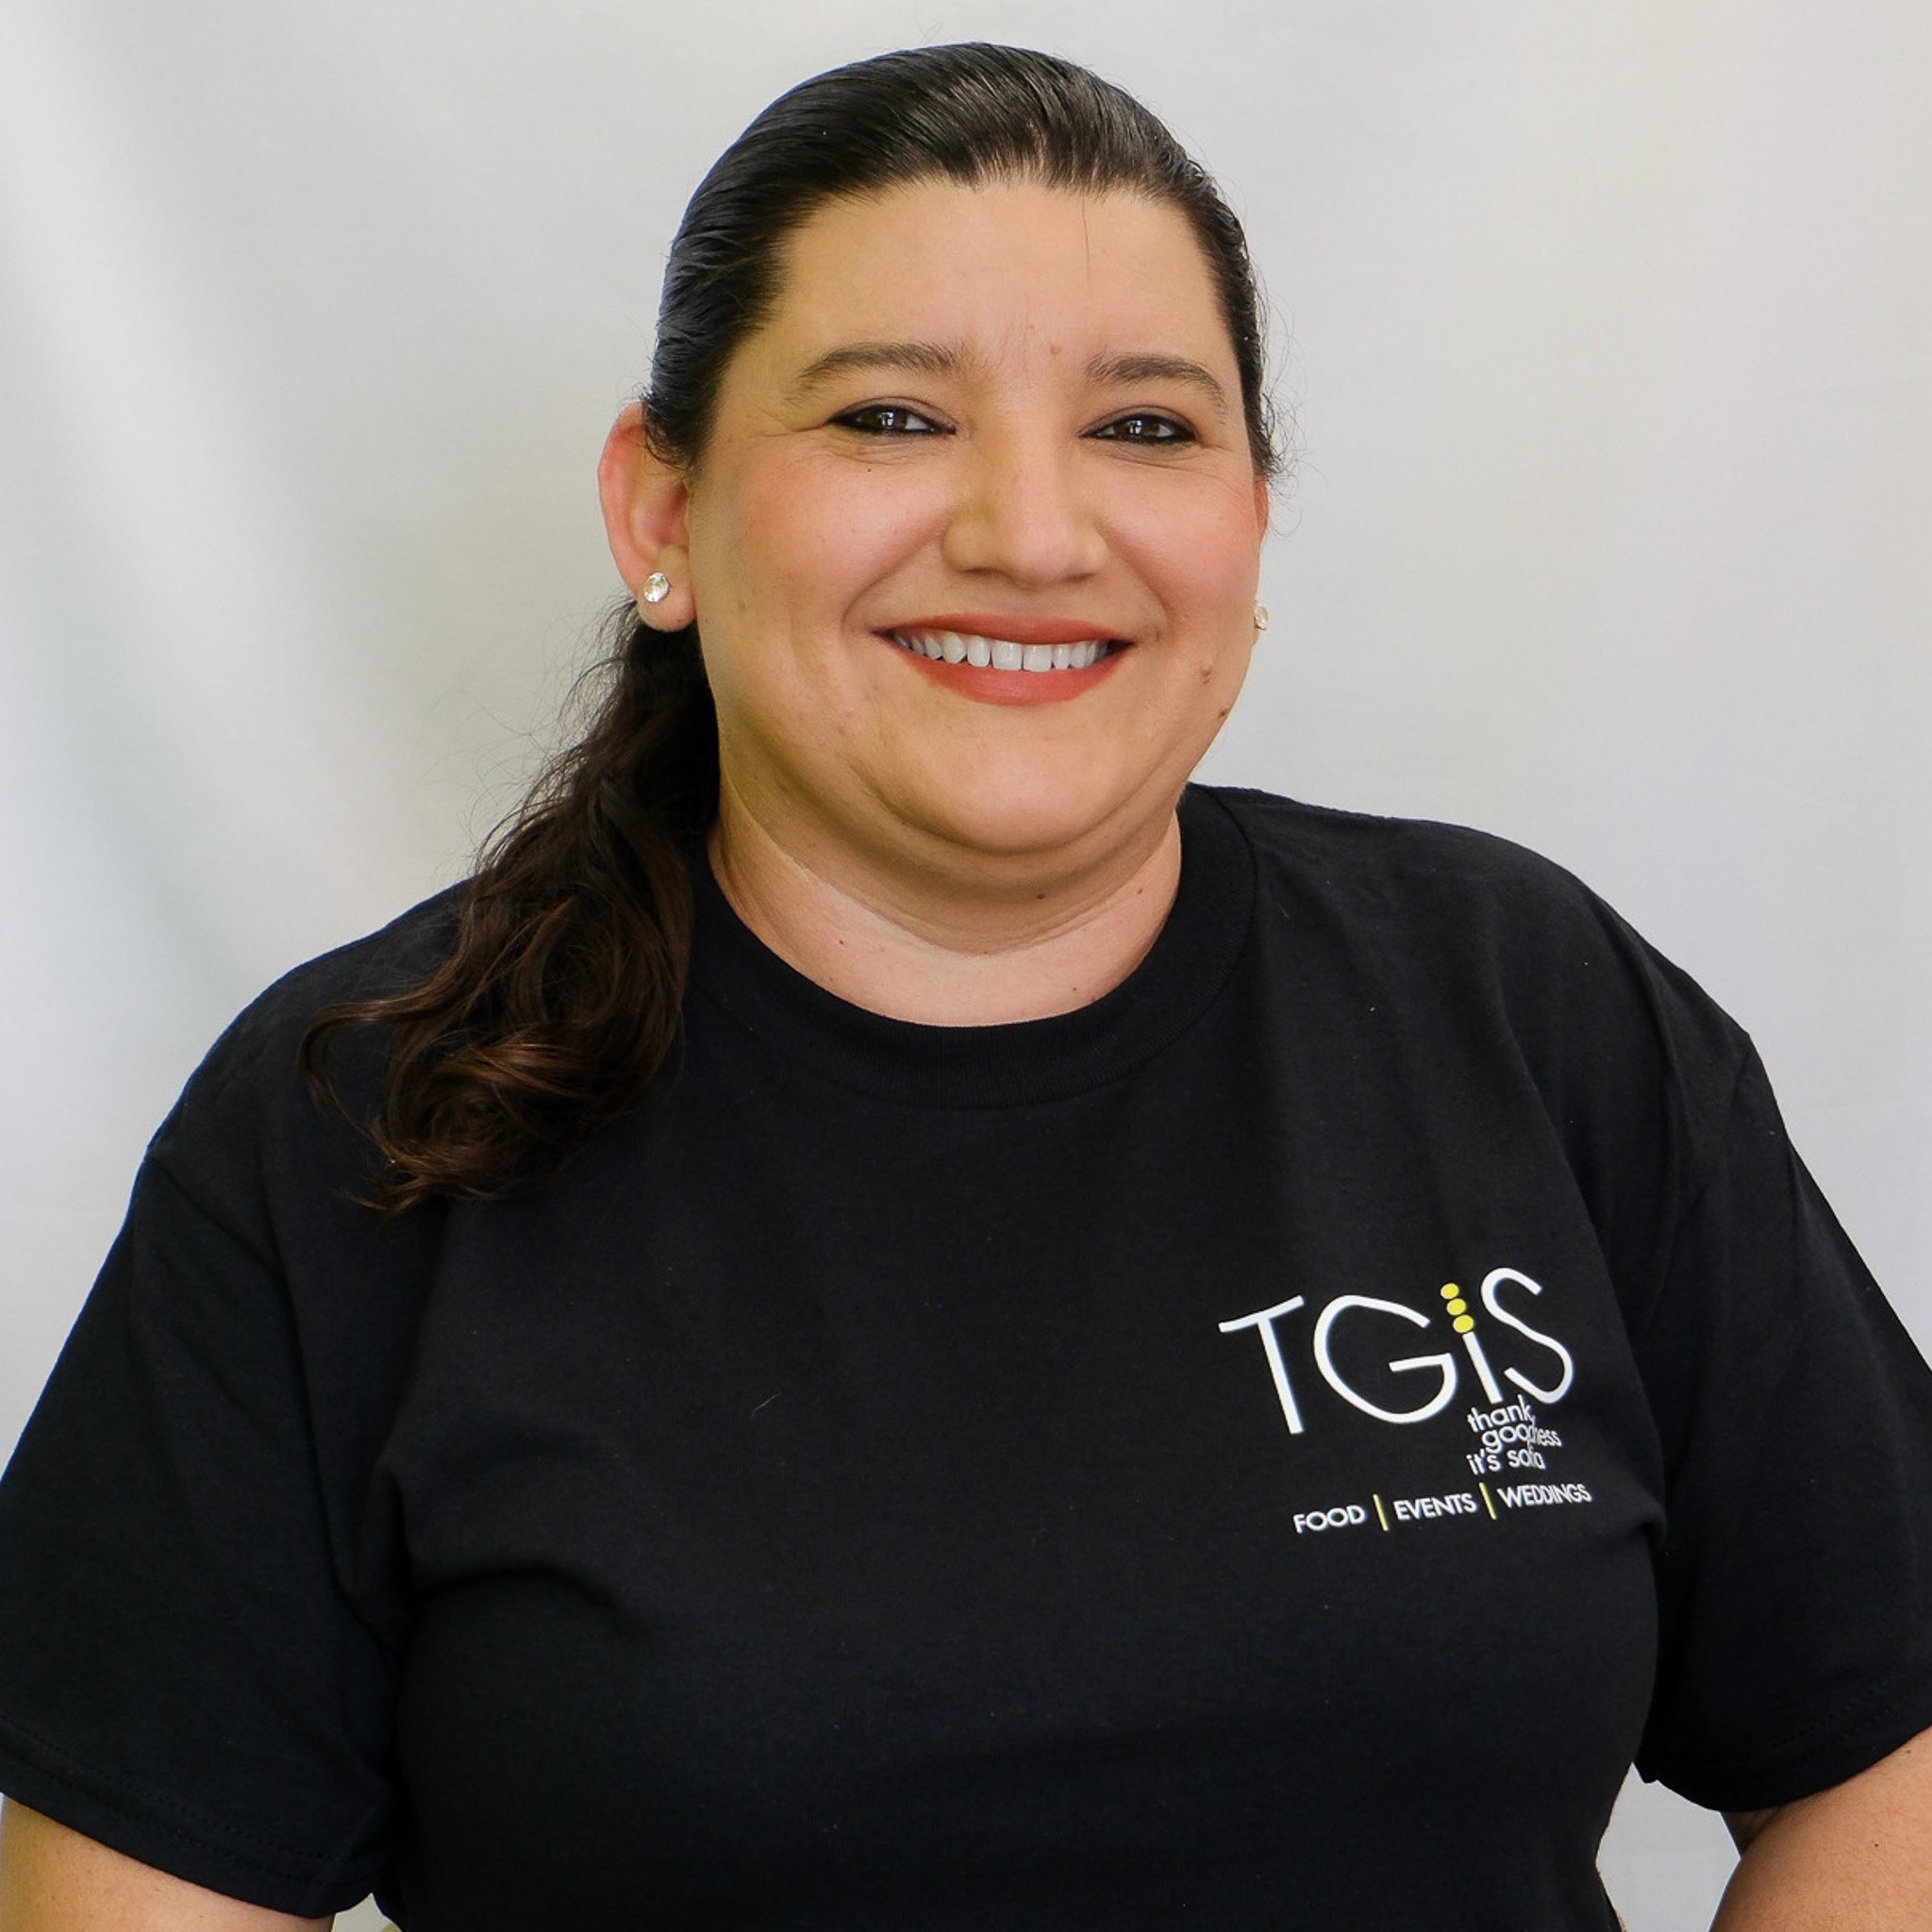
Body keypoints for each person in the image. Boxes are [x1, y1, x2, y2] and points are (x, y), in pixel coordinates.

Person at [1, 41, 1929, 1932]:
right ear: (661, 515)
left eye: (1147, 425)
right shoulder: (361, 1116)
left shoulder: (1525, 1008)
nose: (1029, 531)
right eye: (892, 418)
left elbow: (1890, 1744)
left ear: (1253, 526)